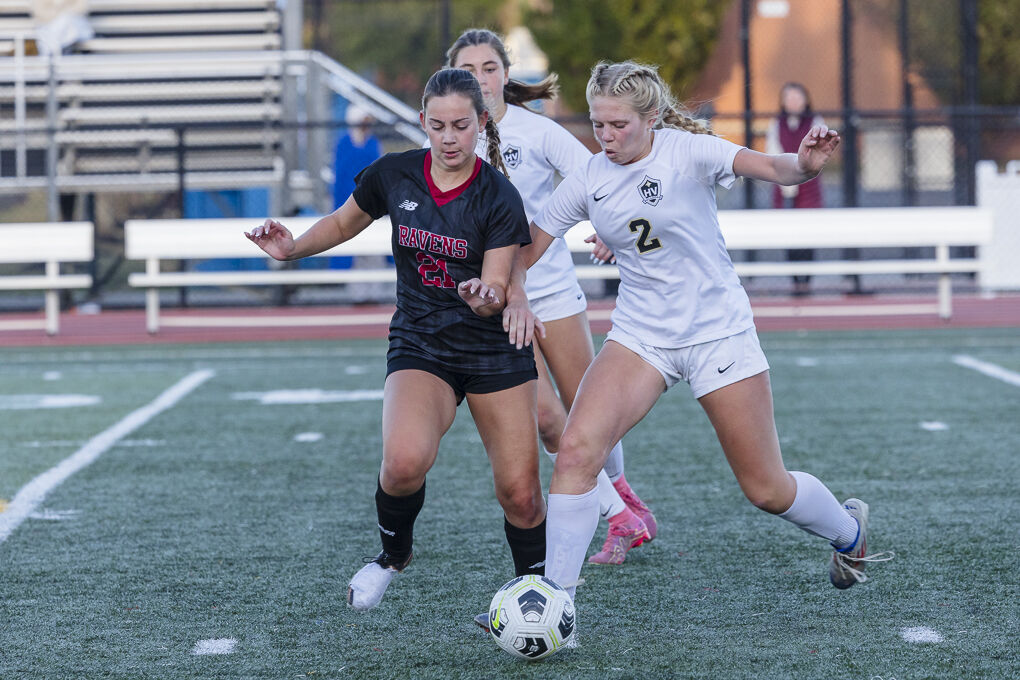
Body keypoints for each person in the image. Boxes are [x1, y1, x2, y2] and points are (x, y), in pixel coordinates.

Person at [503, 61, 892, 610]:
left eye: (619, 125)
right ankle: (555, 603)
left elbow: (775, 168)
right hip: (642, 335)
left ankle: (848, 532)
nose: (606, 138)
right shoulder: (590, 176)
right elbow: (530, 247)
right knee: (574, 453)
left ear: (653, 117)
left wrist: (805, 163)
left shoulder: (689, 151)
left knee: (766, 488)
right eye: (598, 125)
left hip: (717, 333)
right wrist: (512, 288)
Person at [246, 68, 548, 612]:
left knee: (522, 496)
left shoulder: (498, 195)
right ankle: (394, 556)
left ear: (481, 123)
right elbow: (342, 225)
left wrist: (487, 296)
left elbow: (500, 286)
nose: (449, 137)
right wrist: (292, 250)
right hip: (422, 340)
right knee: (403, 463)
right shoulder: (395, 174)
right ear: (422, 123)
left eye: (461, 125)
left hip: (490, 349)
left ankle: (539, 596)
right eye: (438, 126)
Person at [445, 29, 657, 573]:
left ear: (505, 74)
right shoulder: (446, 138)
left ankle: (626, 502)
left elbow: (598, 172)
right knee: (544, 418)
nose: (480, 78)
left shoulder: (535, 131)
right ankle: (620, 518)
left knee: (591, 411)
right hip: (497, 301)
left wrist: (612, 227)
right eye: (468, 68)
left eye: (489, 67)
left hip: (553, 291)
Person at [765, 82, 826, 296]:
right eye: (788, 98)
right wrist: (786, 176)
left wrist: (803, 170)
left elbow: (819, 153)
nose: (793, 102)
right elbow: (772, 152)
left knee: (808, 234)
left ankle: (806, 282)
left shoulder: (815, 122)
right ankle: (795, 282)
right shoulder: (776, 125)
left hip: (808, 187)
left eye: (797, 97)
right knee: (788, 235)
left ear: (806, 100)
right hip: (784, 186)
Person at [332, 104, 383, 210]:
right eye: (363, 121)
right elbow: (342, 171)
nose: (366, 125)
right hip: (347, 190)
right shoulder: (344, 143)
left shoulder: (372, 142)